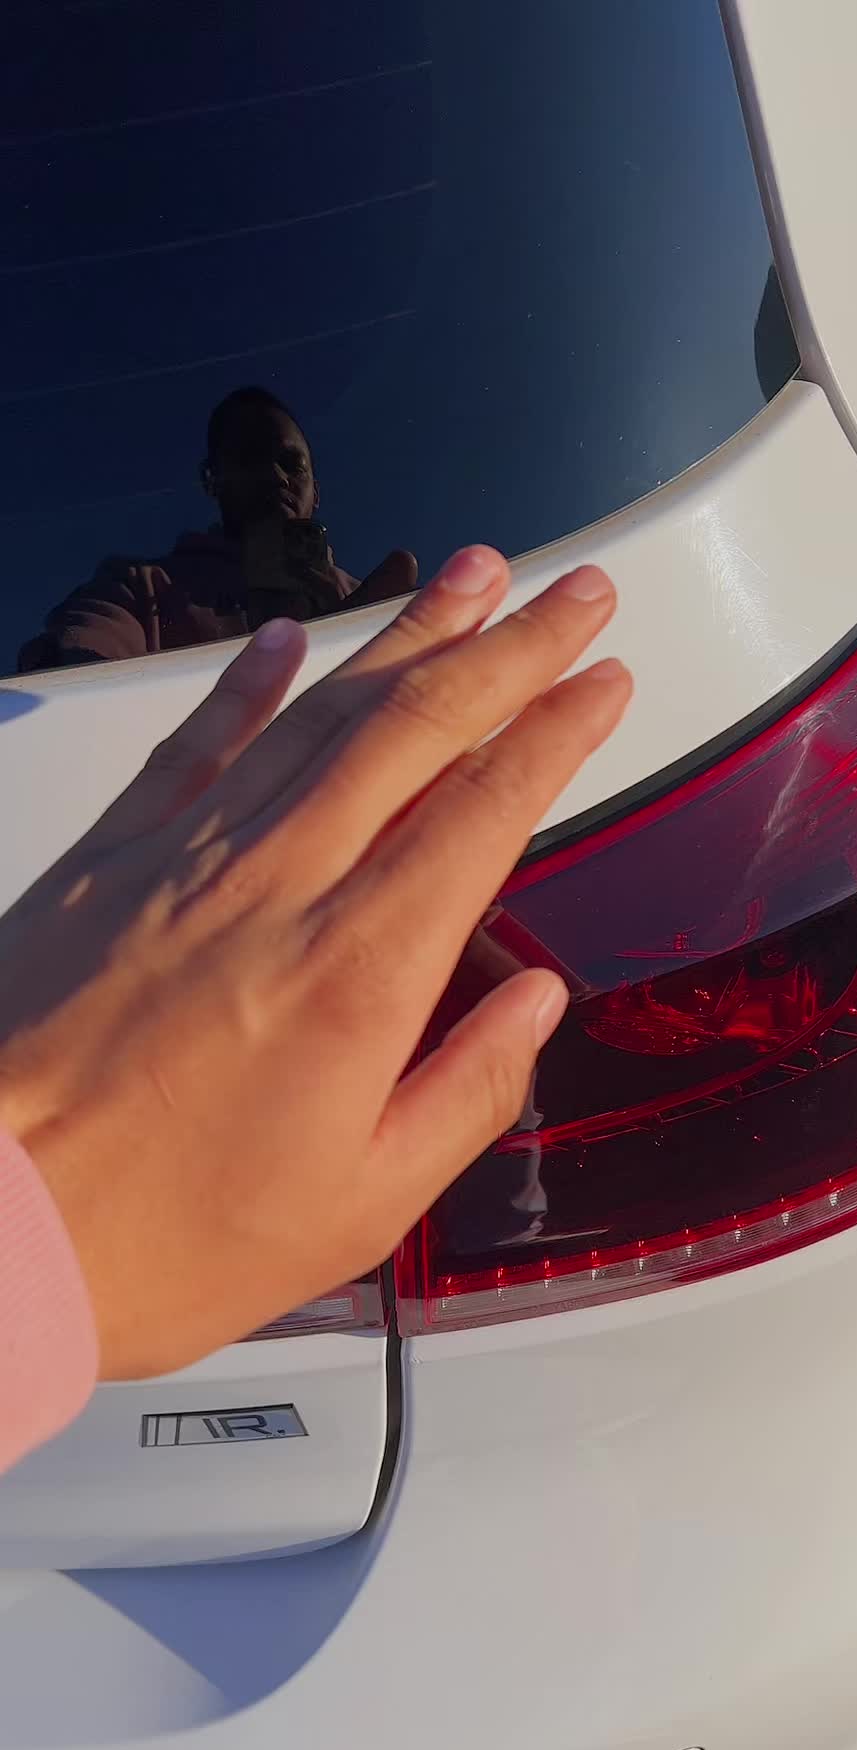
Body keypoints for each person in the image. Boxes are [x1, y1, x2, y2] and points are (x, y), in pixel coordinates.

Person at [0, 547, 629, 1472]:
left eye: (285, 473)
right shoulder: (149, 586)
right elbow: (81, 660)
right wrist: (50, 1227)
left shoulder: (353, 582)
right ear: (212, 483)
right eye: (245, 474)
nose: (269, 485)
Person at [18, 387, 419, 671]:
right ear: (211, 479)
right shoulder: (138, 590)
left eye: (292, 464)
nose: (275, 475)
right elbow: (81, 672)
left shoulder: (373, 603)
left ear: (316, 493)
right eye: (249, 457)